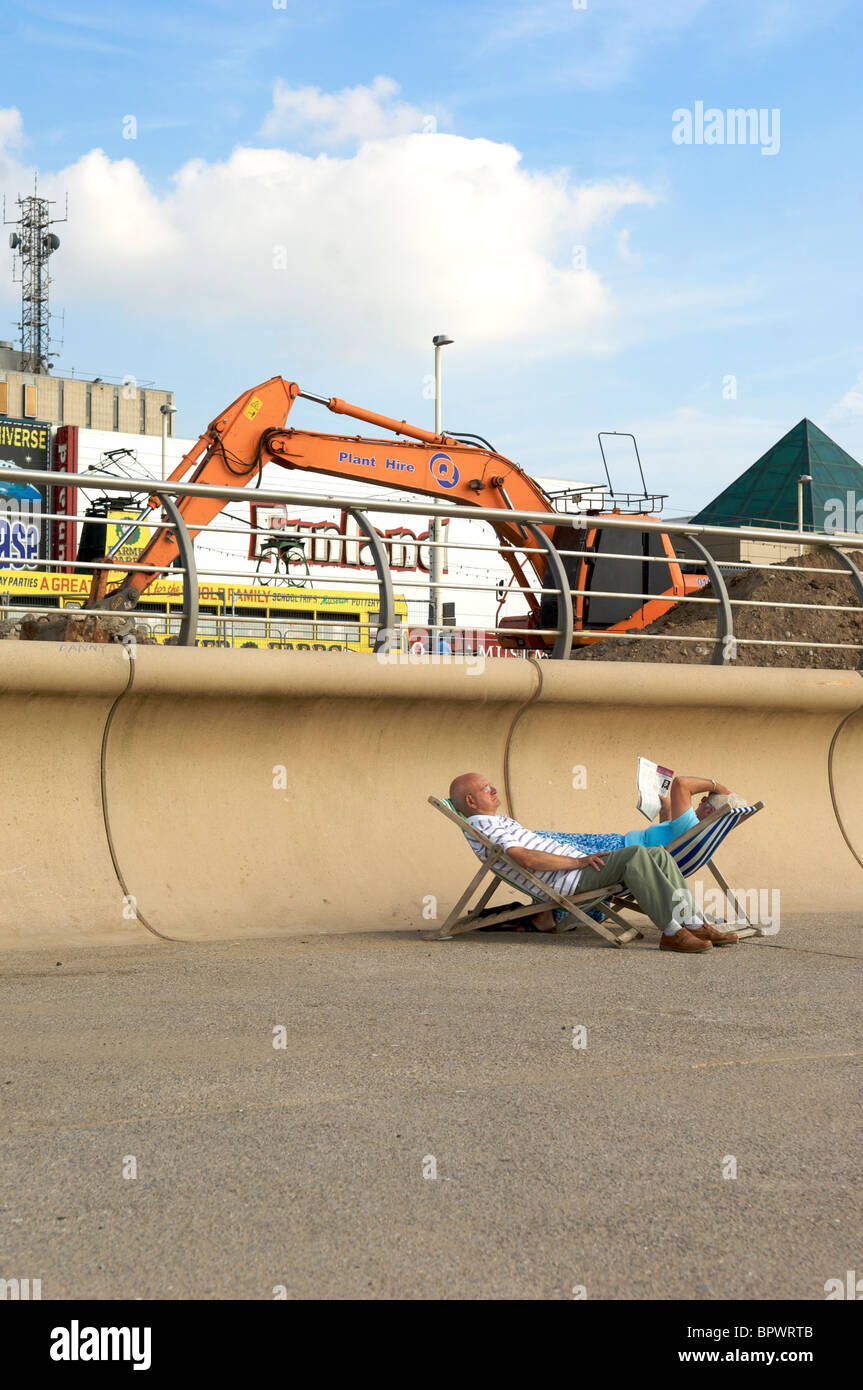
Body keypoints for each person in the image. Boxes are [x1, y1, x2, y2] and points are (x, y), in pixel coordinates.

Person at [448, 772, 742, 954]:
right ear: (471, 801)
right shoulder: (486, 826)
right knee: (638, 854)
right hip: (568, 881)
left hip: (575, 870)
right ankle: (671, 932)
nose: (495, 790)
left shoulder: (496, 820)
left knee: (659, 854)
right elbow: (524, 858)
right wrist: (577, 862)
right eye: (487, 789)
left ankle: (692, 922)